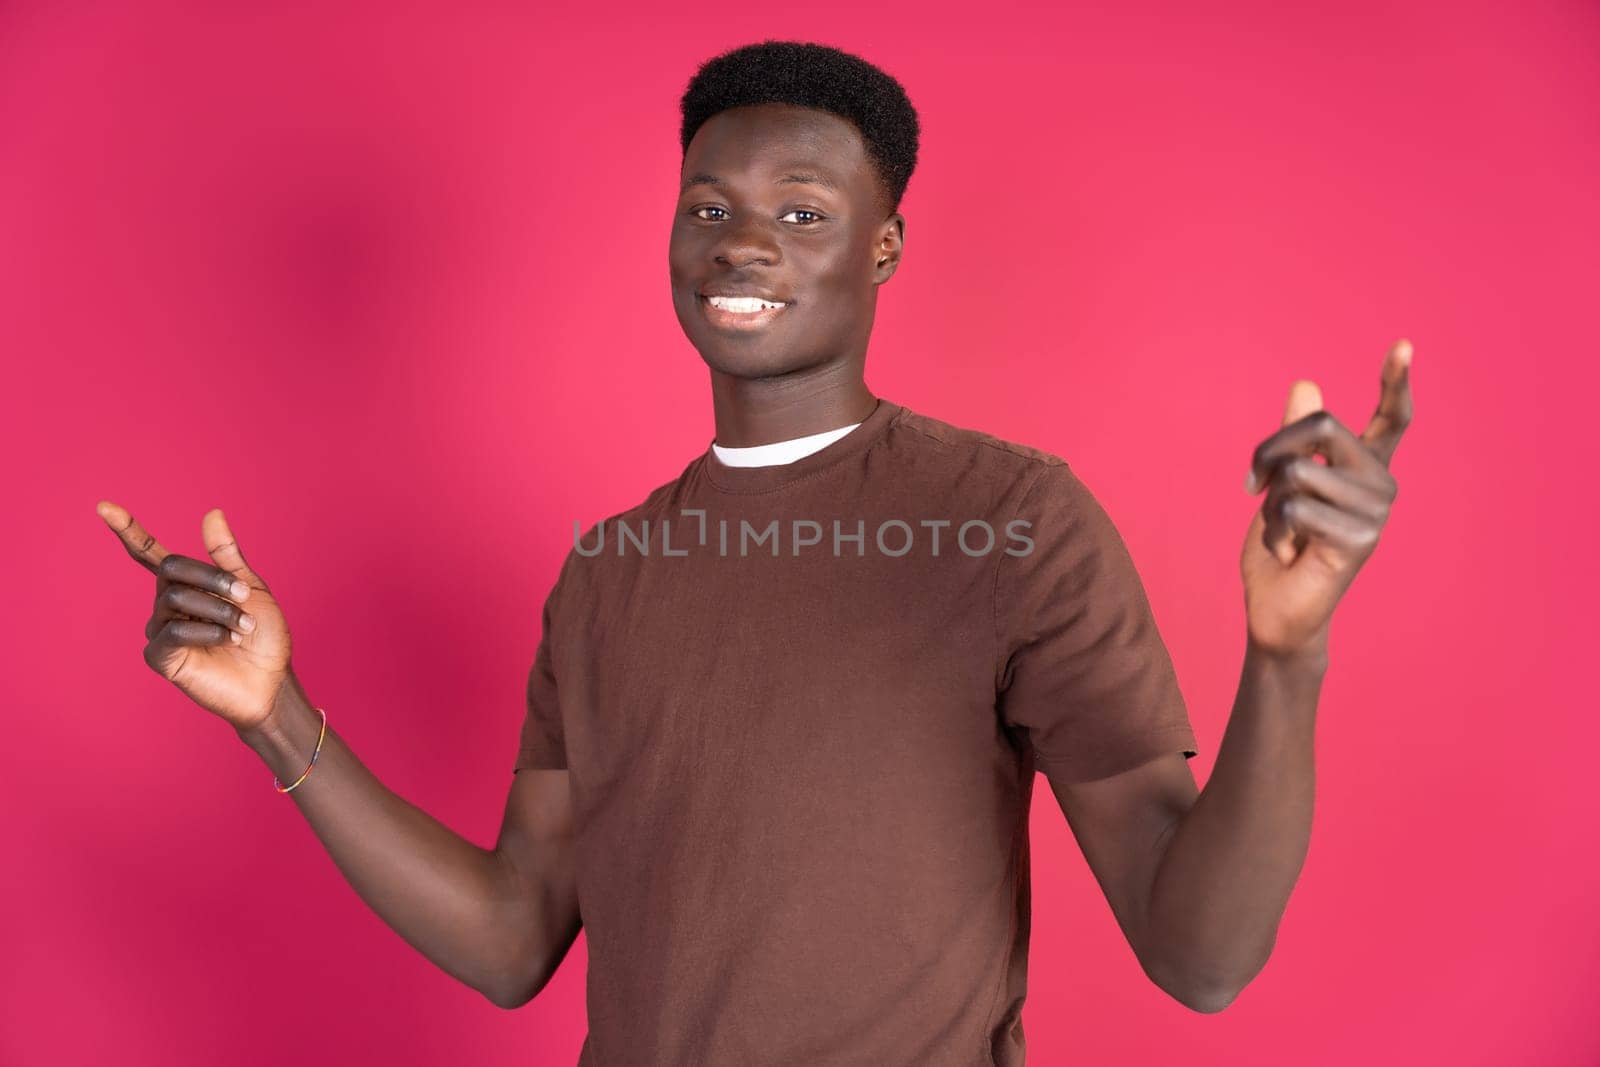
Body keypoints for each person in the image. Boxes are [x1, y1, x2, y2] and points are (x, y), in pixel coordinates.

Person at [97, 39, 1414, 1067]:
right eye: (709, 206)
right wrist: (275, 716)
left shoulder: (1012, 520)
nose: (740, 242)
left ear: (883, 247)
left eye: (800, 213)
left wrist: (1286, 657)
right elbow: (513, 942)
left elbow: (1202, 957)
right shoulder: (606, 575)